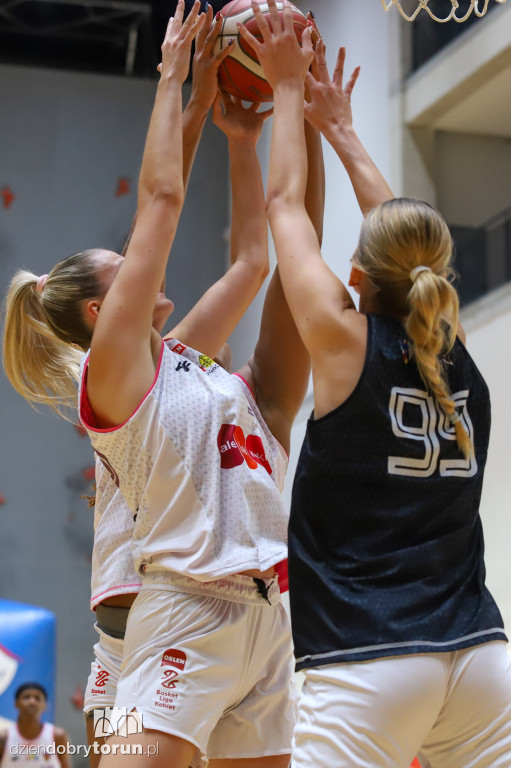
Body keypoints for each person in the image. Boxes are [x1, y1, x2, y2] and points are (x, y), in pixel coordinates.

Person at [2, 3, 325, 766]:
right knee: (112, 749)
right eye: (126, 266)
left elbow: (256, 260)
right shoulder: (119, 373)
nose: (145, 260)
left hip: (251, 615)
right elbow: (161, 203)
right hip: (134, 641)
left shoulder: (188, 366)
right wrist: (178, 86)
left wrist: (248, 131)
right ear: (100, 309)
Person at [239, 3, 511, 767]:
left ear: (356, 274)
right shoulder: (451, 347)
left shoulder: (340, 336)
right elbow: (404, 240)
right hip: (481, 660)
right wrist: (343, 131)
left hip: (368, 661)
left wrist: (287, 91)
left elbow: (284, 207)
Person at [0, 683, 70, 768]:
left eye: (37, 698)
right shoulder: (4, 738)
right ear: (16, 703)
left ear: (45, 705)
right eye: (26, 697)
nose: (32, 702)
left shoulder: (57, 736)